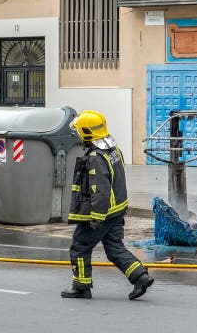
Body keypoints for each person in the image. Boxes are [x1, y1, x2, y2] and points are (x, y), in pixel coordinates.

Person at [62, 110, 154, 300]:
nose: (77, 134)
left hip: (102, 213)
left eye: (79, 131)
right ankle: (140, 277)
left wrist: (96, 218)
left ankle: (81, 286)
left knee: (80, 247)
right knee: (114, 248)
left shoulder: (96, 157)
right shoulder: (113, 149)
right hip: (116, 211)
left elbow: (100, 189)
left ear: (87, 132)